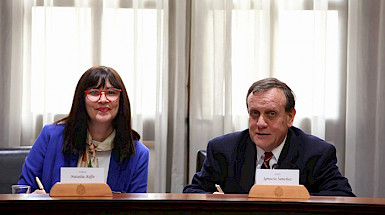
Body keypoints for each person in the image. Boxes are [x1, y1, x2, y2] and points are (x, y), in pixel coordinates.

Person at [183, 78, 355, 196]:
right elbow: (192, 192)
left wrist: (295, 198)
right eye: (254, 113)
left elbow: (342, 196)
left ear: (290, 117)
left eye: (271, 114)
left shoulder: (316, 153)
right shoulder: (223, 149)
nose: (261, 123)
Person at [18, 65, 149, 194]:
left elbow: (136, 209)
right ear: (81, 99)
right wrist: (33, 199)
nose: (103, 99)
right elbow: (21, 190)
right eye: (94, 92)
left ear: (121, 100)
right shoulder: (51, 137)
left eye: (111, 93)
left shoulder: (138, 154)